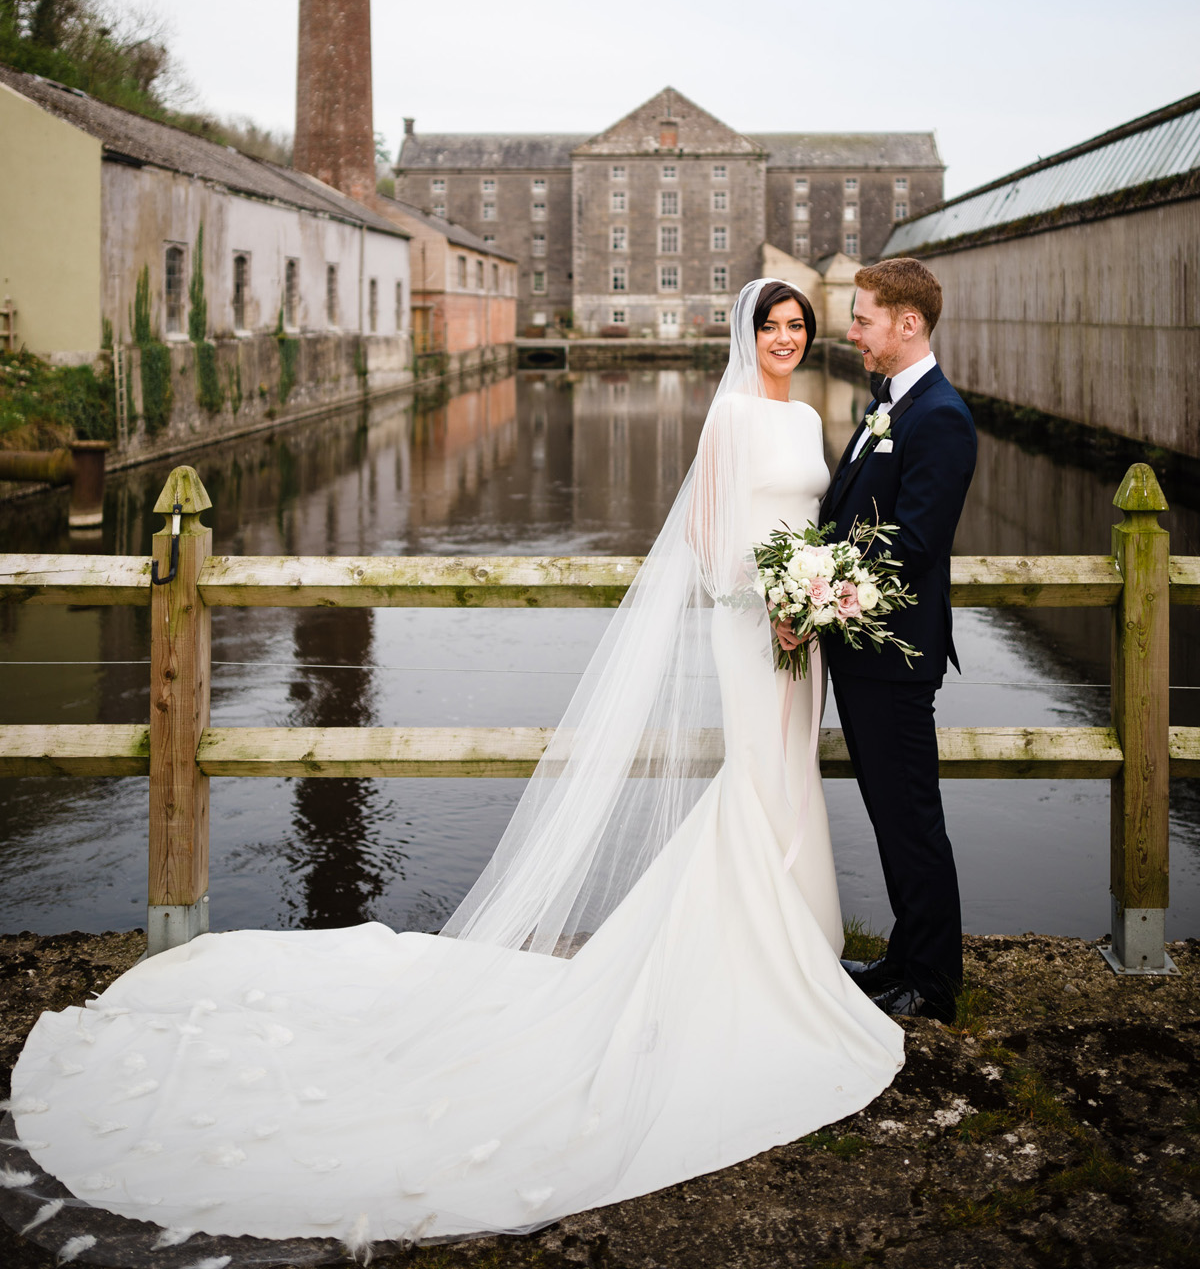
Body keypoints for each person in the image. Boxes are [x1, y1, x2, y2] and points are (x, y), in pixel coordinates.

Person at [8, 280, 902, 1259]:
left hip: (801, 625)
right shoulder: (730, 415)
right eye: (773, 327)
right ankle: (748, 961)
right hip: (750, 624)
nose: (786, 339)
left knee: (790, 777)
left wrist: (814, 588)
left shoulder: (813, 413)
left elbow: (811, 521)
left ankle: (794, 948)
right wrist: (760, 591)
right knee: (755, 781)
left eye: (798, 328)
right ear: (749, 335)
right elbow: (701, 535)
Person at [778, 258, 976, 1024]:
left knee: (910, 817)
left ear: (908, 323)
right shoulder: (885, 406)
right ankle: (906, 955)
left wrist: (819, 596)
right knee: (891, 815)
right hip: (860, 653)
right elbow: (848, 519)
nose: (850, 330)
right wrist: (803, 574)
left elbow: (914, 544)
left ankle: (933, 982)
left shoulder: (940, 417)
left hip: (893, 656)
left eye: (861, 319)